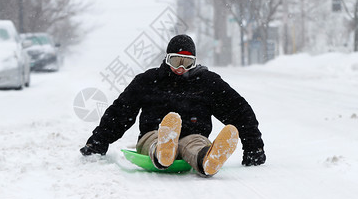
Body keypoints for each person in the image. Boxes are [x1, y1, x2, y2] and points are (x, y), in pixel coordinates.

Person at [80, 34, 266, 176]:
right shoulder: (149, 81)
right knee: (154, 139)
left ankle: (207, 159)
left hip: (193, 135)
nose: (180, 68)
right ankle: (163, 150)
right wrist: (98, 142)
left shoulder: (207, 83)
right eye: (176, 61)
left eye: (187, 63)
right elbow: (120, 112)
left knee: (196, 144)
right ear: (167, 59)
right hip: (153, 134)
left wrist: (253, 147)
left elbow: (239, 111)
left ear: (195, 62)